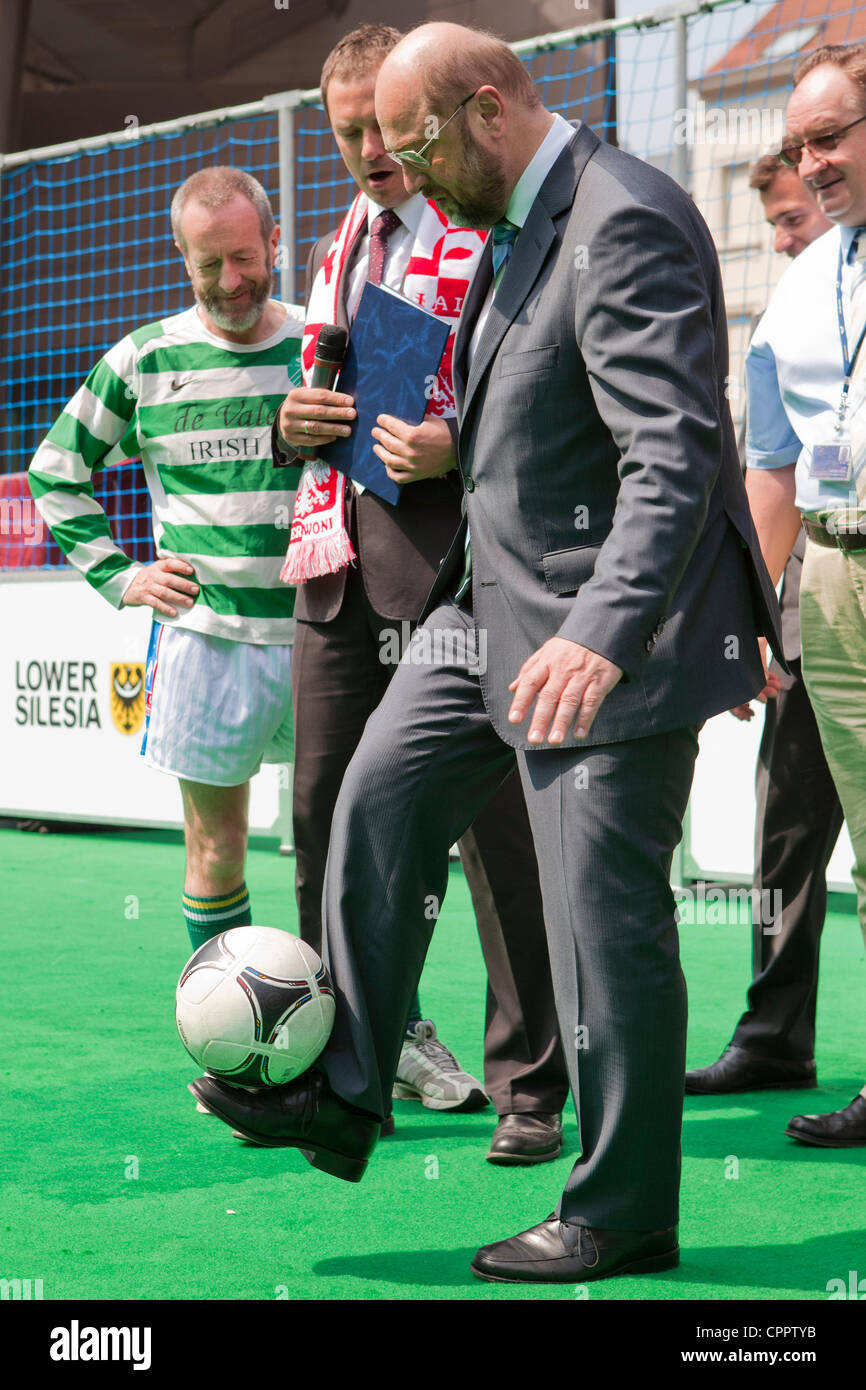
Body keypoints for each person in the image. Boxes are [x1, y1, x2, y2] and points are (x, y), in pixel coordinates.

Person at [193, 21, 783, 1286]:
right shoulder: (521, 226)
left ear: (483, 108)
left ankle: (621, 1210)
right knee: (376, 799)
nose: (397, 165)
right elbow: (522, 423)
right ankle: (345, 1095)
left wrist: (606, 632)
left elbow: (674, 450)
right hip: (486, 611)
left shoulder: (620, 214)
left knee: (598, 923)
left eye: (410, 139)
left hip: (590, 641)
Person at [273, 24, 569, 1157]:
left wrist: (453, 442)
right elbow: (322, 384)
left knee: (499, 846)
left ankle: (531, 1089)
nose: (365, 149)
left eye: (382, 128)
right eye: (345, 129)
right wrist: (286, 421)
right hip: (335, 570)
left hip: (457, 576)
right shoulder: (344, 235)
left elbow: (529, 387)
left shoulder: (491, 222)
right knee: (322, 823)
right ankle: (316, 1066)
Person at [29, 167, 303, 966]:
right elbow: (55, 469)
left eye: (246, 256)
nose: (231, 280)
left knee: (346, 849)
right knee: (217, 851)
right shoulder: (146, 357)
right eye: (208, 262)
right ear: (180, 256)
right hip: (207, 638)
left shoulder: (323, 343)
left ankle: (381, 1040)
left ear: (275, 241)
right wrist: (122, 575)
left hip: (325, 634)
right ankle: (232, 1040)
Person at [686, 154, 842, 1097]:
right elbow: (771, 478)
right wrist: (757, 616)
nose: (783, 239)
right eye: (780, 220)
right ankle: (776, 1036)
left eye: (793, 219)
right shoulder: (789, 314)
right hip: (810, 598)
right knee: (789, 829)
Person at [737, 40, 866, 1148]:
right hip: (827, 573)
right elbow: (771, 462)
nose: (809, 166)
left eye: (828, 139)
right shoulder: (807, 279)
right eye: (799, 145)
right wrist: (746, 609)